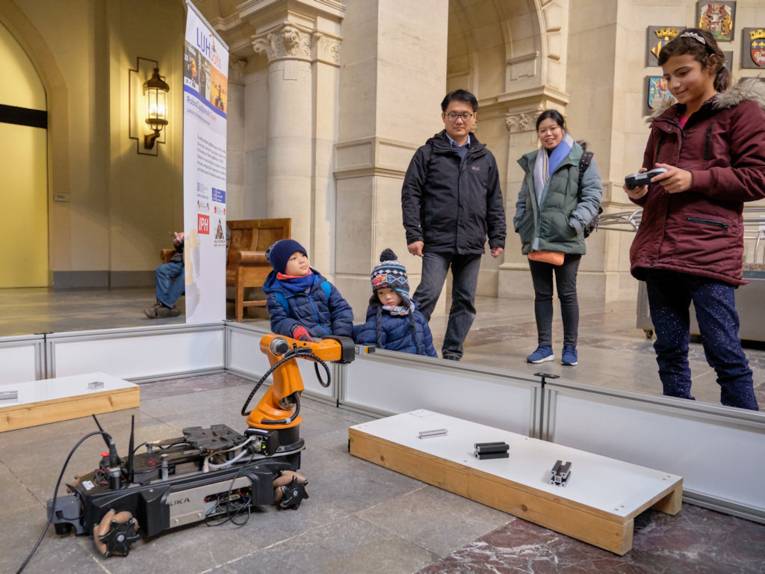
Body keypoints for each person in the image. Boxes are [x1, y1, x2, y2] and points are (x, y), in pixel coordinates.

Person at [626, 28, 765, 410]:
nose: (673, 84)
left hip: (708, 253)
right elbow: (654, 178)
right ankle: (678, 426)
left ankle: (743, 438)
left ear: (711, 65)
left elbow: (758, 177)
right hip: (659, 254)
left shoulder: (742, 113)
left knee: (725, 353)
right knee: (668, 350)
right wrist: (641, 191)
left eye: (683, 72)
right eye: (668, 76)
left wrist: (694, 178)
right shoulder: (664, 123)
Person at [401, 89, 506, 361]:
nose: (459, 120)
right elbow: (411, 194)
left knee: (465, 300)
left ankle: (452, 351)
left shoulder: (485, 158)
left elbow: (494, 199)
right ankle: (411, 344)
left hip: (471, 242)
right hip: (436, 240)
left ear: (474, 118)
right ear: (444, 117)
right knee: (428, 294)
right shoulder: (427, 153)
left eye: (465, 115)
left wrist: (497, 237)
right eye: (453, 114)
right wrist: (414, 234)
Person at [513, 111, 603, 366]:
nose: (548, 134)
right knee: (542, 295)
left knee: (567, 294)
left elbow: (593, 194)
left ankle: (570, 348)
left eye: (553, 128)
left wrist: (574, 222)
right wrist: (521, 222)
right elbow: (523, 197)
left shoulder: (582, 159)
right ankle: (544, 347)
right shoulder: (532, 162)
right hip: (537, 238)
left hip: (567, 238)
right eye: (543, 130)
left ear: (562, 129)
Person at [262, 239, 353, 340]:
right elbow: (279, 321)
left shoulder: (323, 285)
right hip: (306, 342)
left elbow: (341, 308)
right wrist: (295, 329)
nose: (302, 260)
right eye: (293, 258)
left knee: (365, 333)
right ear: (282, 268)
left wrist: (341, 335)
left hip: (333, 338)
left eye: (303, 255)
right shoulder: (277, 295)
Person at [353, 249, 437, 357]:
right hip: (393, 370)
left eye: (392, 291)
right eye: (381, 293)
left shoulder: (418, 317)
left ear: (403, 291)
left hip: (419, 369)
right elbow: (368, 355)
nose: (387, 297)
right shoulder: (377, 321)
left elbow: (430, 349)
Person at [144, 232, 185, 319]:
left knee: (185, 274)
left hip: (196, 262)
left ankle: (166, 305)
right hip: (180, 260)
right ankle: (163, 305)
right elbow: (180, 248)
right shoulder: (190, 225)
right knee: (161, 270)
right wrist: (179, 242)